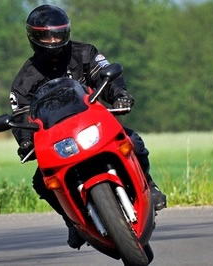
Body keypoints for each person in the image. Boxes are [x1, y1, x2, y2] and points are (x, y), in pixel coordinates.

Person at [9, 4, 167, 250]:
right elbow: (19, 113)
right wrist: (25, 140)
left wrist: (120, 95)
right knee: (42, 181)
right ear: (33, 37)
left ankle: (149, 184)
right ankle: (72, 222)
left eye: (58, 34)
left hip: (92, 124)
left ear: (67, 32)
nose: (53, 40)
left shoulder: (85, 53)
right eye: (46, 35)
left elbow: (107, 74)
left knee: (132, 140)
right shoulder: (25, 78)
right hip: (59, 140)